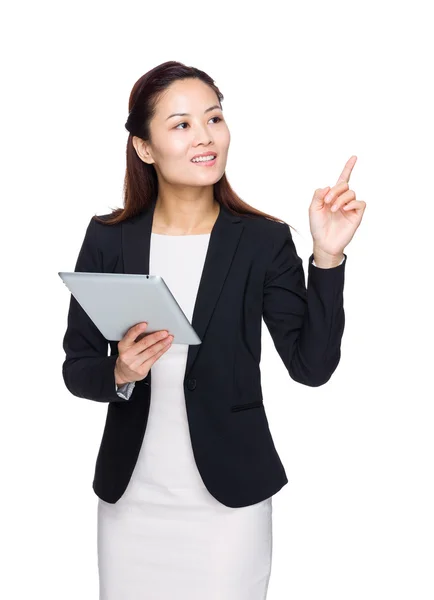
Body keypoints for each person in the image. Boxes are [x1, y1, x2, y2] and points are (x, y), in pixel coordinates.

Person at [61, 61, 366, 600]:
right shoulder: (109, 239)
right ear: (145, 147)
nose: (205, 137)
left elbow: (312, 368)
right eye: (181, 124)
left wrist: (326, 257)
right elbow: (78, 367)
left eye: (214, 119)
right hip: (132, 499)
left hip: (230, 501)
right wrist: (121, 371)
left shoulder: (262, 241)